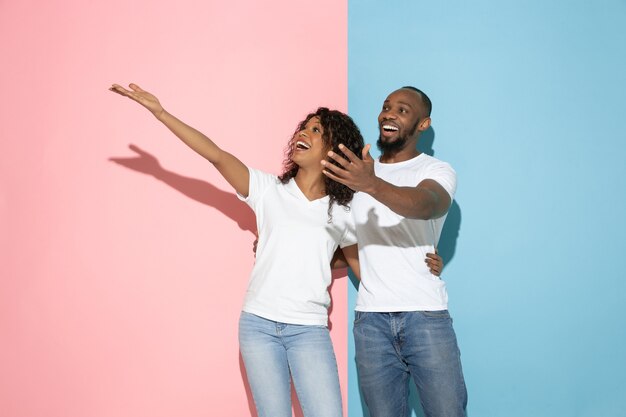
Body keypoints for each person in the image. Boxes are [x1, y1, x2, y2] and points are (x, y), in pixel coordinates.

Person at [109, 83, 444, 417]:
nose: (304, 132)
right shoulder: (267, 190)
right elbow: (215, 154)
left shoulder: (344, 210)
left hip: (309, 330)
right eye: (304, 126)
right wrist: (161, 113)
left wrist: (422, 261)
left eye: (317, 130)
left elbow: (370, 265)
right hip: (258, 326)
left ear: (334, 151)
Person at [321, 86, 467, 417]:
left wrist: (370, 183)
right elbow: (349, 245)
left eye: (402, 110)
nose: (389, 113)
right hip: (371, 321)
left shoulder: (435, 170)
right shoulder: (354, 172)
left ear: (422, 124)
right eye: (386, 106)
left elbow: (428, 205)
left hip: (425, 315)